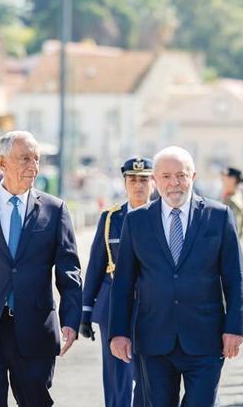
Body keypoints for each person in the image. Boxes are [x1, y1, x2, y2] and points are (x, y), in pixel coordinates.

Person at [0, 131, 82, 406]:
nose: (33, 167)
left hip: (35, 331)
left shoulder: (55, 210)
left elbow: (69, 271)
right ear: (1, 162)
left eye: (36, 159)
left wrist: (70, 320)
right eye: (24, 159)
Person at [108, 146, 243, 407]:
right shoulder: (137, 221)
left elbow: (235, 276)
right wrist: (118, 332)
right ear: (155, 180)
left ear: (192, 177)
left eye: (181, 176)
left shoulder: (218, 216)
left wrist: (235, 328)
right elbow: (124, 282)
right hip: (153, 338)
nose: (174, 183)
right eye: (166, 176)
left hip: (206, 338)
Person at [81, 157, 154, 407]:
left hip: (150, 306)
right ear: (124, 183)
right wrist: (85, 310)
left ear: (152, 183)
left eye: (144, 179)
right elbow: (96, 266)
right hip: (112, 307)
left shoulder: (161, 216)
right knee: (116, 377)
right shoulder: (111, 219)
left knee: (150, 374)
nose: (138, 185)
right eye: (132, 180)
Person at [220, 166, 243, 238]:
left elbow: (232, 233)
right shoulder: (231, 197)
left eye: (224, 178)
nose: (222, 181)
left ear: (232, 180)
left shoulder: (232, 202)